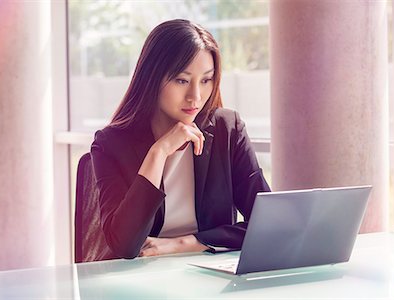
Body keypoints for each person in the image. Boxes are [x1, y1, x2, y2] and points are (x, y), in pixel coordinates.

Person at [90, 19, 270, 260]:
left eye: (206, 80)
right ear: (152, 78)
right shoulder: (110, 144)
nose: (195, 96)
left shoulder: (227, 129)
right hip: (140, 280)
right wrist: (159, 152)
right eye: (182, 80)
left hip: (209, 273)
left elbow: (268, 223)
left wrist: (188, 243)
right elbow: (124, 245)